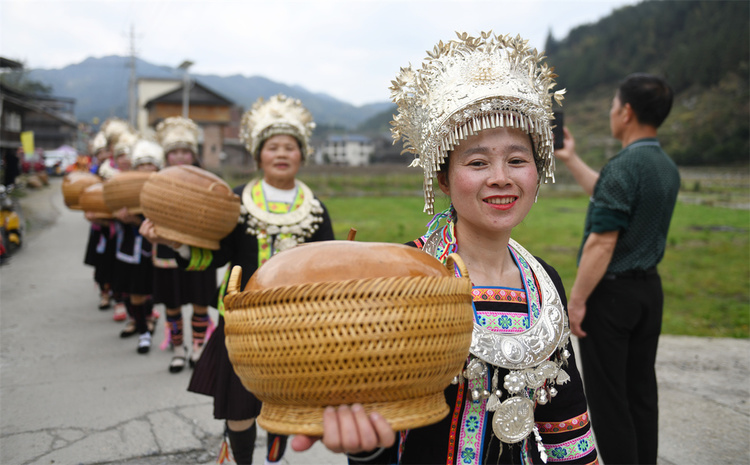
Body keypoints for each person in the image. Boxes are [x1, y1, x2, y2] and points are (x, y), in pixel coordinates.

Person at [292, 32, 597, 464]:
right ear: (443, 178)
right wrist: (364, 447)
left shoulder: (545, 281)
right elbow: (377, 420)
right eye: (477, 162)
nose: (500, 177)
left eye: (516, 160)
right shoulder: (401, 276)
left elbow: (566, 425)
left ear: (537, 171)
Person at [140, 94, 335, 465]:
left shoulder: (315, 208)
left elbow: (327, 265)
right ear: (258, 154)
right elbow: (214, 255)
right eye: (272, 147)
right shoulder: (237, 201)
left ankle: (278, 431)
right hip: (241, 322)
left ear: (302, 155)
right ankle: (243, 459)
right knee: (239, 406)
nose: (281, 153)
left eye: (290, 147)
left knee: (285, 399)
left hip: (297, 326)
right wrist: (172, 242)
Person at [553, 73, 680, 465]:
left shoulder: (624, 166)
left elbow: (602, 241)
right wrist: (572, 159)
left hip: (611, 297)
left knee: (609, 401)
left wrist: (576, 302)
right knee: (641, 392)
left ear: (626, 112)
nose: (610, 112)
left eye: (612, 105)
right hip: (648, 295)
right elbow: (612, 197)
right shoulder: (664, 166)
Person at [152, 116, 217, 374]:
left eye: (185, 152)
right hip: (166, 250)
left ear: (193, 154)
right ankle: (179, 350)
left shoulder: (208, 180)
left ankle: (198, 347)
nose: (180, 157)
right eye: (174, 152)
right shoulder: (155, 181)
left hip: (200, 248)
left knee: (200, 301)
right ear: (167, 155)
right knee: (173, 302)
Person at [109, 132, 158, 353]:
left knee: (150, 292)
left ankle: (147, 321)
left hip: (154, 250)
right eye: (143, 164)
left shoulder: (165, 189)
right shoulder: (124, 186)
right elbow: (109, 213)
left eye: (151, 164)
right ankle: (143, 331)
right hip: (128, 248)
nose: (147, 168)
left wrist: (136, 220)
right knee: (133, 292)